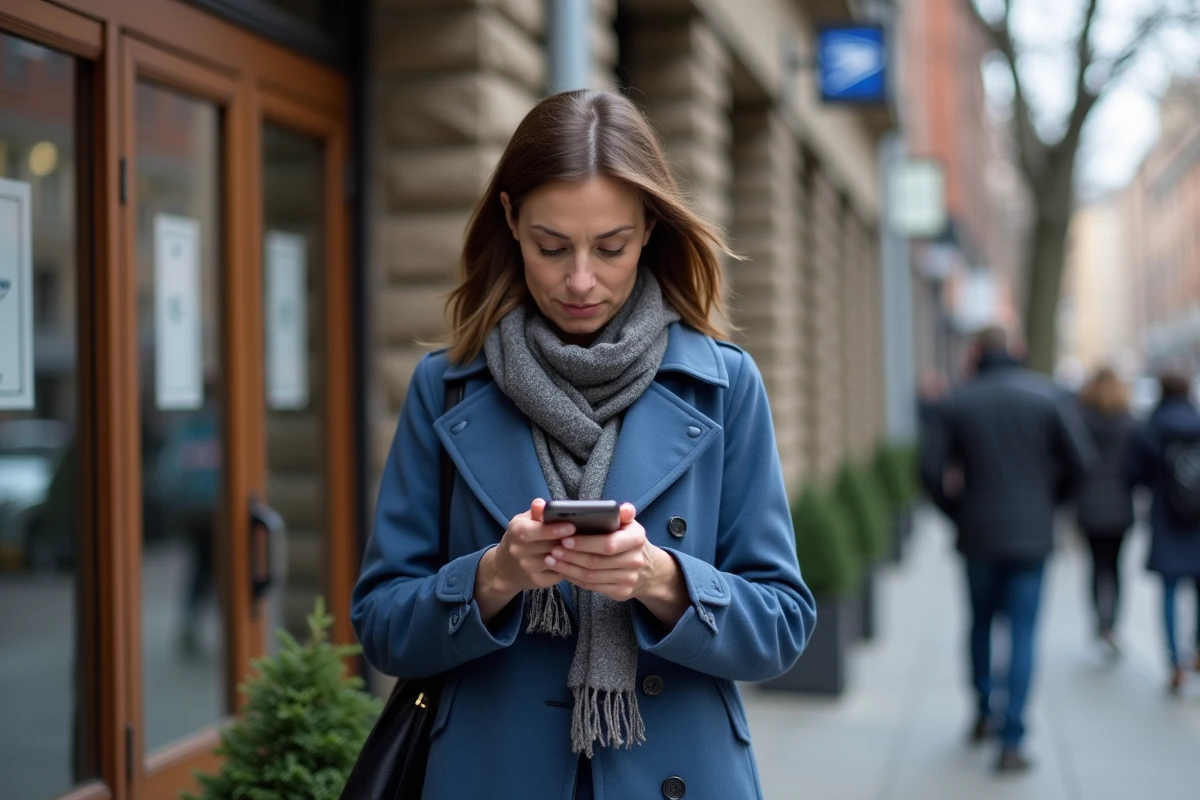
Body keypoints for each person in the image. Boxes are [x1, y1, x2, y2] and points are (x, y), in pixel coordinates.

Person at [350, 89, 815, 799]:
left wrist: (663, 580)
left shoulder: (722, 386)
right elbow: (382, 628)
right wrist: (494, 575)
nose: (579, 280)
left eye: (611, 247)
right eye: (550, 246)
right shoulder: (445, 388)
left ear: (650, 228)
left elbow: (782, 625)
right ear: (509, 220)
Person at [919, 325, 1092, 774]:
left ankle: (982, 710)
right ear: (1015, 352)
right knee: (1023, 633)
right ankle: (1012, 738)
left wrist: (955, 512)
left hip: (978, 534)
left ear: (977, 353)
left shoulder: (958, 401)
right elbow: (1082, 462)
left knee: (980, 624)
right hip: (1031, 537)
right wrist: (1050, 503)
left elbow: (929, 469)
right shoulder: (1047, 397)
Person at [1125, 369, 1200, 694]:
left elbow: (1135, 475)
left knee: (1169, 592)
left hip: (1166, 519)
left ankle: (1175, 662)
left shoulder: (1150, 429)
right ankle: (1197, 648)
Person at [1073, 367, 1136, 657]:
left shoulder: (1080, 418)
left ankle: (1100, 620)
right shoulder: (1128, 421)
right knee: (1116, 565)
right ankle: (1112, 624)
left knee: (1096, 565)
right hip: (1121, 502)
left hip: (1089, 502)